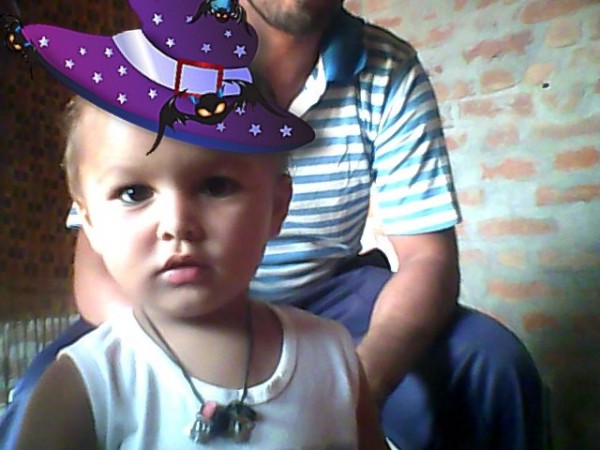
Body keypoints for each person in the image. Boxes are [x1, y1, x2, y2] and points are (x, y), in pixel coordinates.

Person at [1, 1, 546, 449]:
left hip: (331, 293)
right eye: (137, 194)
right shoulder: (161, 55)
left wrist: (352, 386)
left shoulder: (388, 68)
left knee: (491, 362)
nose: (177, 223)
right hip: (160, 304)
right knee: (35, 395)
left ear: (279, 204)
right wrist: (170, 361)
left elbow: (427, 258)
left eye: (216, 186)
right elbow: (93, 270)